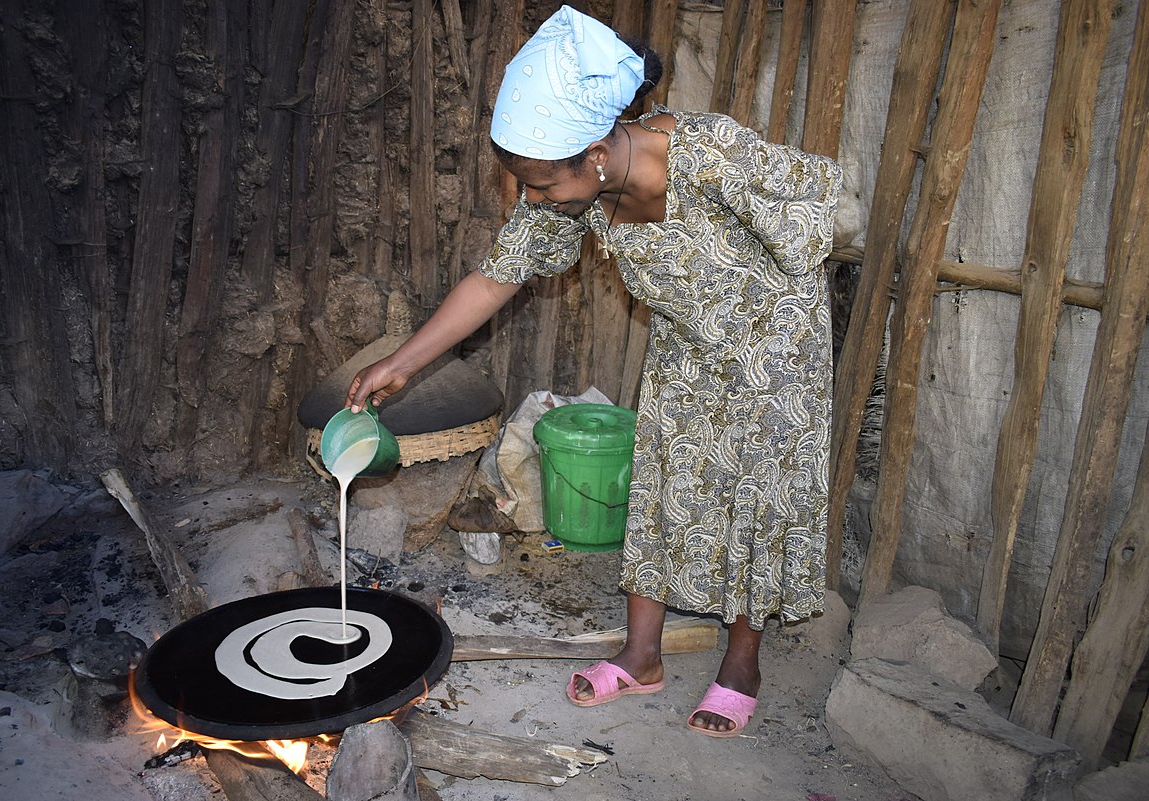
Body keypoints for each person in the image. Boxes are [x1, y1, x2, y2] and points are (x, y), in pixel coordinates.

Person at [347, 5, 842, 737]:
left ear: (597, 152)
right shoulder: (578, 191)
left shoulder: (707, 154)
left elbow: (815, 217)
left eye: (541, 183)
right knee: (661, 477)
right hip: (687, 343)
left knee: (753, 494)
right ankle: (641, 655)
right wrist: (400, 361)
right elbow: (496, 276)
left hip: (774, 347)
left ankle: (743, 659)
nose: (531, 198)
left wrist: (763, 324)